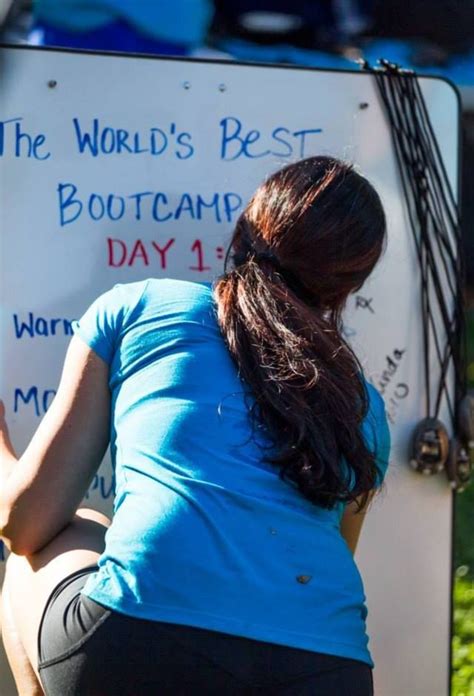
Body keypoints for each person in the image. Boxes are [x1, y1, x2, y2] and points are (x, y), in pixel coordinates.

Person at [0, 155, 390, 696]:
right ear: (349, 287)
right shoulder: (363, 406)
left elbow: (24, 524)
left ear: (246, 228)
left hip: (136, 648)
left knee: (62, 534)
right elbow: (309, 565)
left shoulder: (139, 307)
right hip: (329, 671)